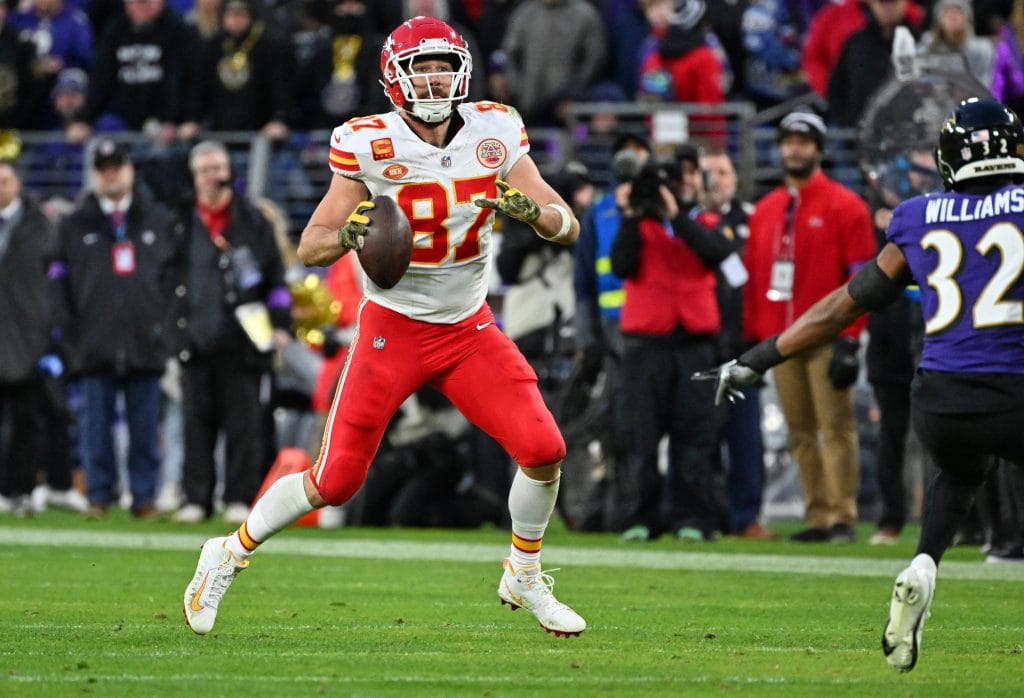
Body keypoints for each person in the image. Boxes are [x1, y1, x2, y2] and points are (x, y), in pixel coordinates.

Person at [182, 16, 586, 638]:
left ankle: (523, 573)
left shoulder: (496, 129)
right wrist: (350, 234)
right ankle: (227, 553)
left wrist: (533, 212)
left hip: (467, 327)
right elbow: (312, 244)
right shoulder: (367, 142)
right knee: (335, 480)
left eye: (442, 66)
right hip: (391, 328)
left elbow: (568, 225)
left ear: (462, 72)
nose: (433, 78)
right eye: (420, 67)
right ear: (395, 78)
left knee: (545, 450)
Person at [701, 96, 1024, 673]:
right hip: (1016, 387)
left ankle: (924, 564)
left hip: (943, 398)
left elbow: (844, 306)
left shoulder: (921, 215)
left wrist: (758, 358)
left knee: (960, 471)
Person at [742, 110, 877, 543]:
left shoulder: (846, 206)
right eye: (788, 141)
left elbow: (863, 279)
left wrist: (852, 339)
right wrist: (757, 337)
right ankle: (819, 517)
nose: (794, 149)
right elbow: (755, 278)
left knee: (835, 427)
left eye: (803, 141)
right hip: (780, 340)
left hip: (826, 335)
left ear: (818, 149)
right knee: (801, 431)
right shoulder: (765, 210)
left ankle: (843, 516)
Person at [610, 150, 733, 542]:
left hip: (694, 343)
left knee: (694, 436)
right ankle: (641, 515)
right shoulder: (638, 225)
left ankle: (693, 517)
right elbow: (621, 264)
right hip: (646, 344)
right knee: (641, 436)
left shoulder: (706, 221)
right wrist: (633, 214)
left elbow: (714, 252)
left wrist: (676, 215)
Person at [167, 140, 292, 526]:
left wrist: (282, 324)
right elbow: (165, 277)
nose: (214, 175)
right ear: (193, 175)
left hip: (245, 338)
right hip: (196, 336)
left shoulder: (253, 219)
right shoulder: (180, 220)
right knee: (195, 423)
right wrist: (172, 330)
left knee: (245, 424)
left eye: (219, 167)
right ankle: (196, 499)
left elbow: (276, 278)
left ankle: (239, 496)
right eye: (205, 169)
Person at [50, 139, 176, 519]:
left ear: (130, 170)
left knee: (145, 429)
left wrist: (165, 332)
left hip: (145, 341)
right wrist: (70, 338)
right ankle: (98, 496)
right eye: (103, 168)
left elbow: (172, 282)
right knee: (95, 429)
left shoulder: (157, 220)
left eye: (116, 166)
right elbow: (58, 287)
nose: (110, 174)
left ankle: (144, 498)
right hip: (94, 342)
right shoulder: (73, 225)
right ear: (94, 175)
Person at [0, 162, 57, 516]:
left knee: (27, 420)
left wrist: (46, 335)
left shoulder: (42, 226)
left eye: (5, 180)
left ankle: (20, 489)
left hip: (28, 338)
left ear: (18, 183)